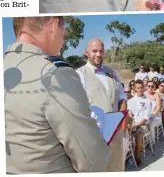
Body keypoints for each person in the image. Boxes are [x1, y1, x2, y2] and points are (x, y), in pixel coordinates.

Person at [4, 17, 109, 173]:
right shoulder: (54, 74)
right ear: (54, 25)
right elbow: (92, 161)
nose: (63, 36)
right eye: (63, 27)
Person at [77, 39, 127, 172]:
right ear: (86, 52)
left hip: (116, 135)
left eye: (101, 51)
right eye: (95, 51)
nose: (98, 54)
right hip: (95, 136)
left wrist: (122, 125)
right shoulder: (79, 75)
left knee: (116, 168)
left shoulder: (111, 73)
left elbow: (122, 98)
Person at [127, 80, 153, 166]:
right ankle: (127, 156)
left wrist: (135, 125)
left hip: (142, 124)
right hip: (131, 124)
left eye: (141, 87)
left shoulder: (148, 101)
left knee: (139, 135)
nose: (140, 89)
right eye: (138, 88)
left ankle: (137, 156)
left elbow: (145, 118)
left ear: (144, 87)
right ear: (135, 88)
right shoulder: (130, 101)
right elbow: (128, 112)